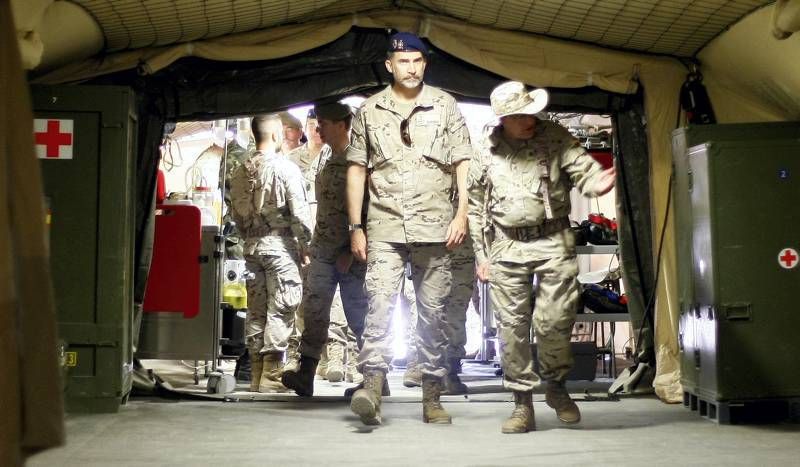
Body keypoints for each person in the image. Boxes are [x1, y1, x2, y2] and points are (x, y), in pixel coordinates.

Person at [467, 81, 616, 433]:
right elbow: (474, 206)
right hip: (507, 244)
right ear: (504, 119)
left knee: (554, 321)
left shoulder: (555, 136)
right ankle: (522, 405)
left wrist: (597, 182)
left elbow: (583, 168)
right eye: (521, 115)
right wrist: (480, 254)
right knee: (512, 328)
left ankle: (556, 387)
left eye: (531, 111)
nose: (530, 119)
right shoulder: (486, 148)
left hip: (553, 240)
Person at [345, 32, 473, 425]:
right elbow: (356, 171)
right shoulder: (369, 111)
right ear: (389, 65)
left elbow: (462, 162)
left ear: (424, 64)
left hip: (436, 228)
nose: (412, 68)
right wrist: (356, 226)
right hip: (383, 228)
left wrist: (462, 213)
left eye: (418, 61)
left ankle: (432, 397)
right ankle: (371, 387)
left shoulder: (445, 106)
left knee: (433, 314)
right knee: (378, 307)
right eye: (404, 62)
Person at [282, 102, 369, 396]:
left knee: (359, 315)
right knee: (314, 309)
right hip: (322, 249)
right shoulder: (327, 155)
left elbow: (369, 210)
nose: (318, 129)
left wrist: (349, 249)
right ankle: (305, 374)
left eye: (325, 123)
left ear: (343, 124)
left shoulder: (359, 158)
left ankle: (373, 379)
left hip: (350, 253)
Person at [229, 114, 312, 393]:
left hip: (251, 249)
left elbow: (235, 217)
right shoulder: (285, 169)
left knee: (256, 309)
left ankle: (255, 374)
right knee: (282, 307)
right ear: (276, 134)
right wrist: (307, 247)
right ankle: (272, 375)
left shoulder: (240, 171)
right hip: (280, 249)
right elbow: (300, 215)